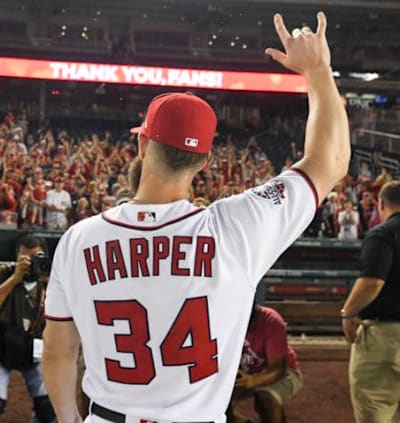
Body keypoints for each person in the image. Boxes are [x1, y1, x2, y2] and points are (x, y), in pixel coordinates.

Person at [41, 11, 350, 423]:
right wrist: (318, 70)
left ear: (142, 145)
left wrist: (67, 419)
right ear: (203, 161)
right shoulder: (237, 225)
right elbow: (329, 160)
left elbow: (60, 349)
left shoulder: (78, 239)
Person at [0, 235, 55, 423]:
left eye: (36, 258)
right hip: (0, 348)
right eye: (24, 258)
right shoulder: (5, 272)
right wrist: (15, 278)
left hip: (35, 350)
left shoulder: (53, 279)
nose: (31, 264)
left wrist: (49, 282)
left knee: (47, 408)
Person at [341, 180, 400, 423]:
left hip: (384, 338)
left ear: (382, 204)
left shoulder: (383, 233)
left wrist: (347, 313)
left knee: (375, 412)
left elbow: (372, 283)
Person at [228, 305, 302, 423]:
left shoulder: (270, 320)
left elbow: (278, 369)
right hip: (246, 372)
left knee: (265, 398)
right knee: (215, 404)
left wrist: (253, 381)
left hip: (281, 371)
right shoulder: (225, 321)